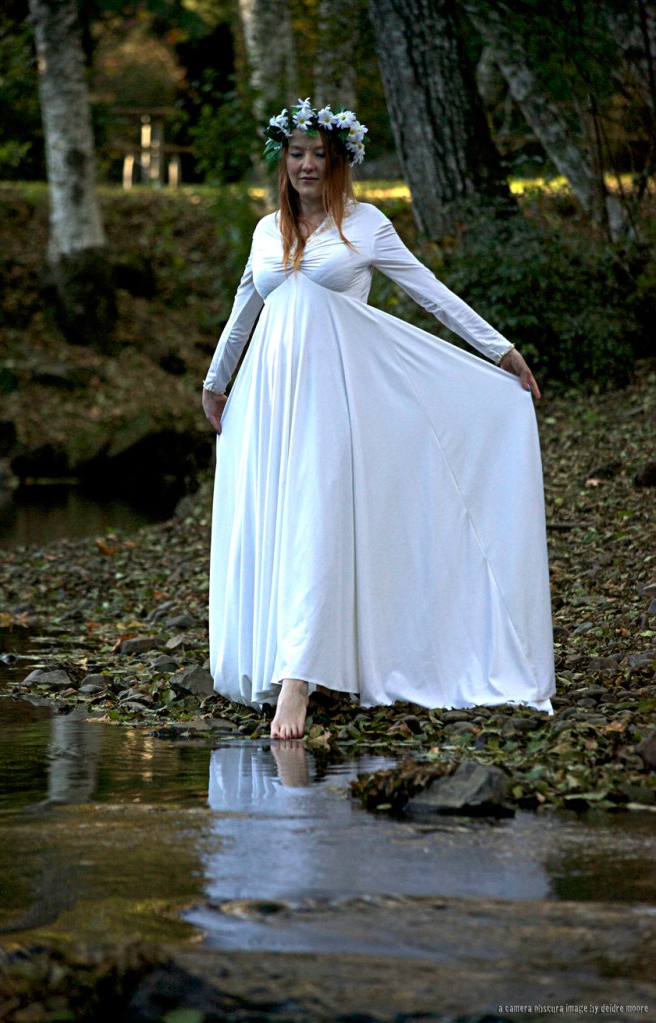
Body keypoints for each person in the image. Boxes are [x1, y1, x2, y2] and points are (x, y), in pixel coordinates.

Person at [202, 98, 555, 741]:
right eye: (297, 154)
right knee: (283, 523)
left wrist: (499, 349)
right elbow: (244, 309)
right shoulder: (266, 231)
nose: (308, 165)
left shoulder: (365, 225)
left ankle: (297, 681)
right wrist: (215, 381)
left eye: (320, 155)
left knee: (317, 519)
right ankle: (294, 657)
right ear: (283, 161)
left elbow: (430, 292)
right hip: (270, 401)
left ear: (340, 162)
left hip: (337, 399)